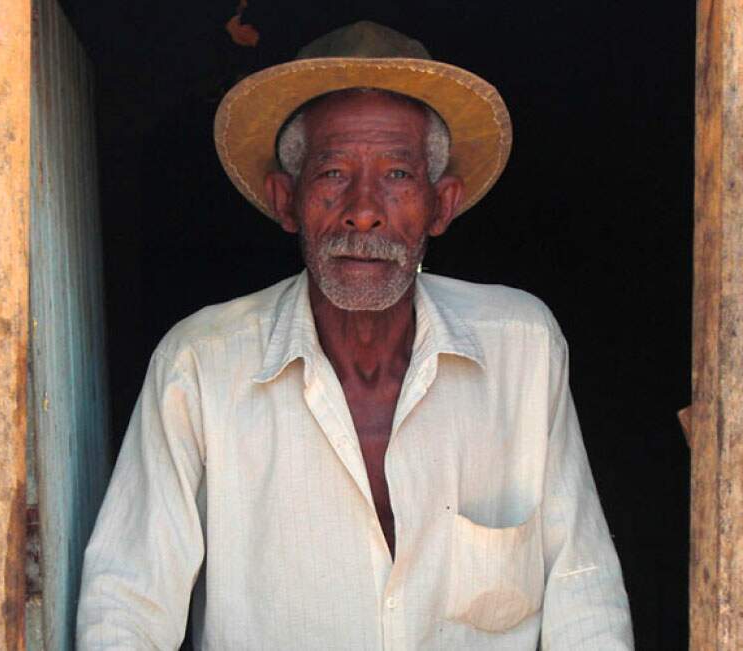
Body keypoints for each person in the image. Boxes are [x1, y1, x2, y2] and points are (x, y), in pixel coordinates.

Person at [78, 21, 633, 649]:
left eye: (397, 175)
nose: (363, 208)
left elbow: (583, 591)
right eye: (333, 172)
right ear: (285, 200)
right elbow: (127, 602)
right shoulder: (200, 366)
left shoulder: (522, 350)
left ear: (441, 204)